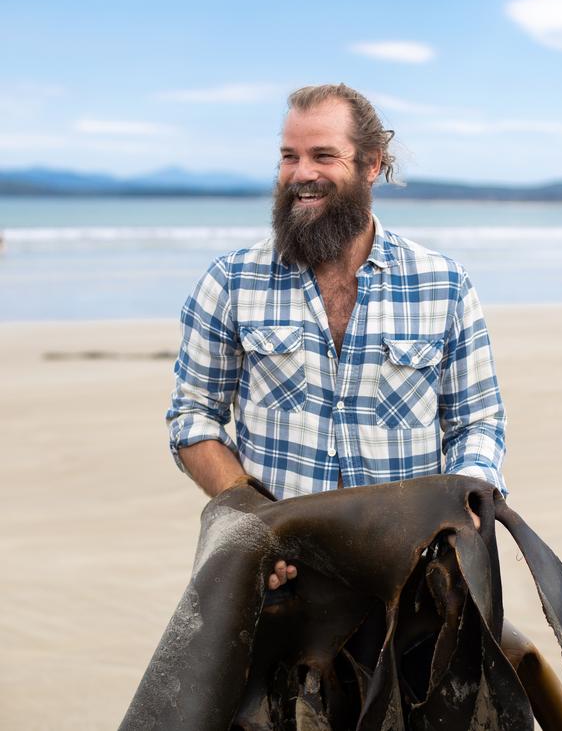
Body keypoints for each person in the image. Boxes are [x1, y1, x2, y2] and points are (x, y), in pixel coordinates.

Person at [167, 83, 507, 590]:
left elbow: (477, 422)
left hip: (409, 576)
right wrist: (252, 517)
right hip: (274, 578)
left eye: (323, 155)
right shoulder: (231, 281)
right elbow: (192, 416)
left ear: (372, 164)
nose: (301, 173)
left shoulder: (444, 284)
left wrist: (459, 516)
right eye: (289, 156)